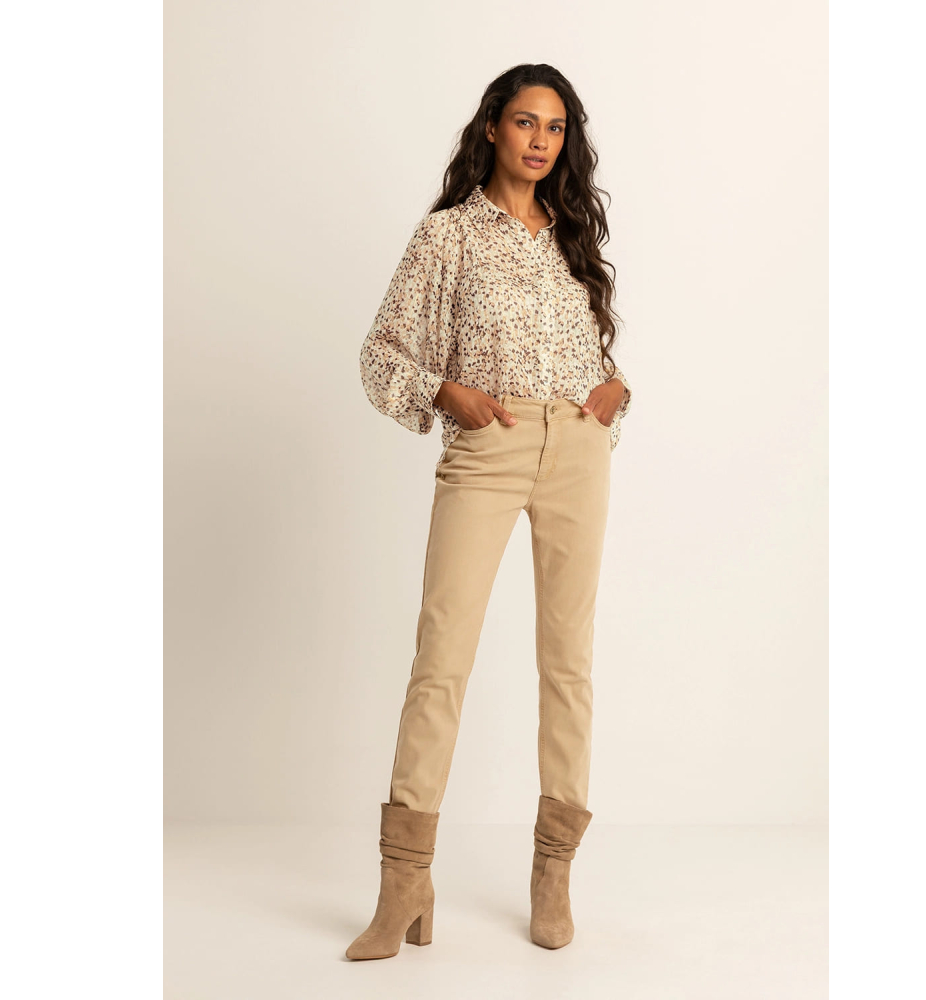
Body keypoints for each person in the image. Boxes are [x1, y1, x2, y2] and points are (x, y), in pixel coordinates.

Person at [346, 63, 633, 961]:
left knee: (568, 664)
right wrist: (447, 392)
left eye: (556, 127)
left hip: (578, 450)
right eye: (525, 123)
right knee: (441, 660)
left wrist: (615, 391)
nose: (541, 141)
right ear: (493, 130)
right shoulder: (450, 236)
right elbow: (380, 354)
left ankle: (553, 874)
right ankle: (404, 883)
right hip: (490, 445)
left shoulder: (571, 237)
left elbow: (586, 355)